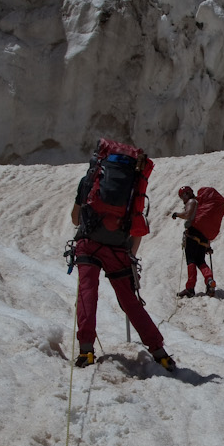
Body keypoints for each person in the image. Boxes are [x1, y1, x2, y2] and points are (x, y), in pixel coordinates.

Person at [70, 148, 175, 371]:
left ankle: (86, 350)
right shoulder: (134, 186)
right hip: (118, 250)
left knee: (88, 292)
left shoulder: (90, 179)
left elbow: (74, 218)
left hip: (88, 244)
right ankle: (160, 352)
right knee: (130, 301)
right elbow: (137, 226)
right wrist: (130, 255)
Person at [172, 185, 217, 297]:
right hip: (202, 237)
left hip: (192, 235)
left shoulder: (192, 202)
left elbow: (187, 215)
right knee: (200, 261)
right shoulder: (200, 204)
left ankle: (190, 288)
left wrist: (176, 214)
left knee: (191, 260)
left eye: (183, 196)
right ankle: (209, 280)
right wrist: (208, 245)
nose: (183, 199)